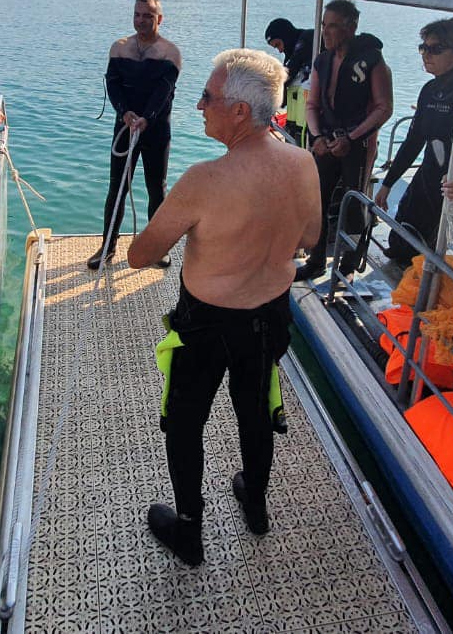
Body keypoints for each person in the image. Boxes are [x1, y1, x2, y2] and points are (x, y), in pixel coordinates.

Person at [126, 49, 321, 567]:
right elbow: (310, 236)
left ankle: (190, 530)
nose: (199, 106)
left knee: (185, 422)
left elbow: (139, 255)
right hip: (270, 314)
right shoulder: (303, 163)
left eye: (208, 98)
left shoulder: (204, 180)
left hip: (205, 323)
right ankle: (254, 505)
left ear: (239, 112)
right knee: (255, 410)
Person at [374, 18, 453, 270]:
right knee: (402, 245)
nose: (426, 55)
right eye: (423, 47)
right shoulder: (430, 90)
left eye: (435, 49)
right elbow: (413, 141)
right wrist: (388, 183)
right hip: (433, 175)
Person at [297, 0, 392, 280]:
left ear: (351, 28)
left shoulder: (372, 60)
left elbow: (383, 107)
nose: (325, 32)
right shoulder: (322, 60)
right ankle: (316, 261)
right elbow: (312, 104)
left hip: (357, 144)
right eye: (324, 26)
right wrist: (316, 137)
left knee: (354, 205)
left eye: (333, 27)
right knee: (317, 202)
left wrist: (352, 138)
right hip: (325, 140)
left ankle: (350, 265)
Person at [90, 0, 182, 270]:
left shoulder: (170, 53)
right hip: (125, 126)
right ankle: (107, 247)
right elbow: (114, 84)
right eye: (137, 15)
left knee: (157, 188)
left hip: (155, 130)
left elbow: (163, 92)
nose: (141, 21)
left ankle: (158, 248)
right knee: (117, 186)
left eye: (148, 16)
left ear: (159, 19)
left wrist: (146, 118)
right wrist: (125, 114)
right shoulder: (119, 48)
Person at [265, 17, 314, 142]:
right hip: (297, 123)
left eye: (278, 44)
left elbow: (287, 74)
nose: (280, 50)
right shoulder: (292, 52)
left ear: (285, 36)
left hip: (309, 125)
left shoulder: (307, 39)